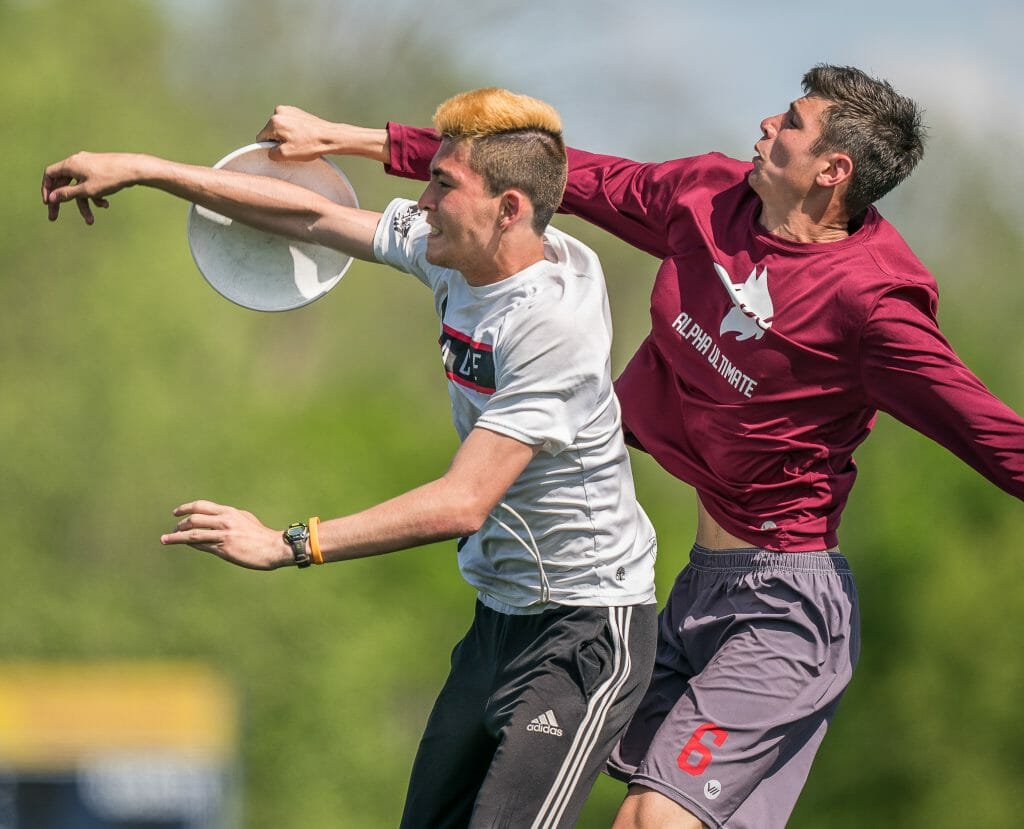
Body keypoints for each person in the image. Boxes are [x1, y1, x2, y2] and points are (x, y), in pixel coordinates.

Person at [255, 64, 1024, 828]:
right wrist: (354, 139)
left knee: (651, 821)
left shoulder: (872, 303)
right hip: (692, 588)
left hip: (785, 607)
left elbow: (992, 433)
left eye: (790, 122)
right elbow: (559, 175)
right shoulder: (708, 200)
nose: (765, 126)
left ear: (833, 170)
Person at [41, 87, 660, 829]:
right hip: (498, 617)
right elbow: (308, 214)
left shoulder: (550, 325)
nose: (421, 201)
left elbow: (464, 501)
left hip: (586, 628)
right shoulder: (459, 253)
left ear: (510, 209)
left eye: (443, 185)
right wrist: (144, 168)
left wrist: (288, 542)